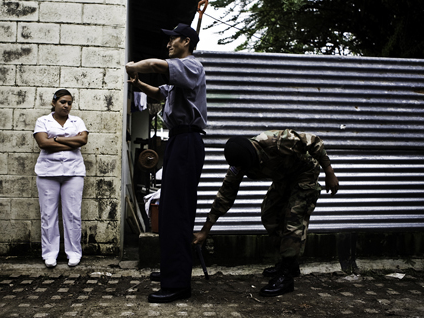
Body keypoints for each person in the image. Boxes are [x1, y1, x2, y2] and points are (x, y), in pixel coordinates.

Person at [193, 129, 339, 297]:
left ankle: (286, 276)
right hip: (283, 178)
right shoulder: (238, 165)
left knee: (294, 218)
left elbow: (314, 141)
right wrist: (205, 230)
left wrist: (329, 172)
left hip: (305, 174)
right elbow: (225, 195)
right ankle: (289, 262)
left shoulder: (275, 141)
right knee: (269, 215)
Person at [125, 23, 207, 303]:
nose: (168, 43)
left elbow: (157, 65)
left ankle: (178, 283)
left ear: (186, 41)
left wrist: (133, 66)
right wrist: (139, 85)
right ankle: (173, 269)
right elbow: (161, 93)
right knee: (172, 210)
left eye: (172, 39)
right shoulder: (181, 76)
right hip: (178, 142)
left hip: (186, 142)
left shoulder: (191, 66)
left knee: (177, 214)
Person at [33, 89, 89, 268]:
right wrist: (70, 141)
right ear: (54, 102)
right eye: (63, 102)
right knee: (48, 215)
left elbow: (83, 141)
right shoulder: (43, 121)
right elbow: (43, 143)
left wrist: (55, 138)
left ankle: (74, 253)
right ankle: (50, 254)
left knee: (72, 214)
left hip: (73, 173)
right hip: (48, 173)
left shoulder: (77, 121)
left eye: (69, 103)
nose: (66, 106)